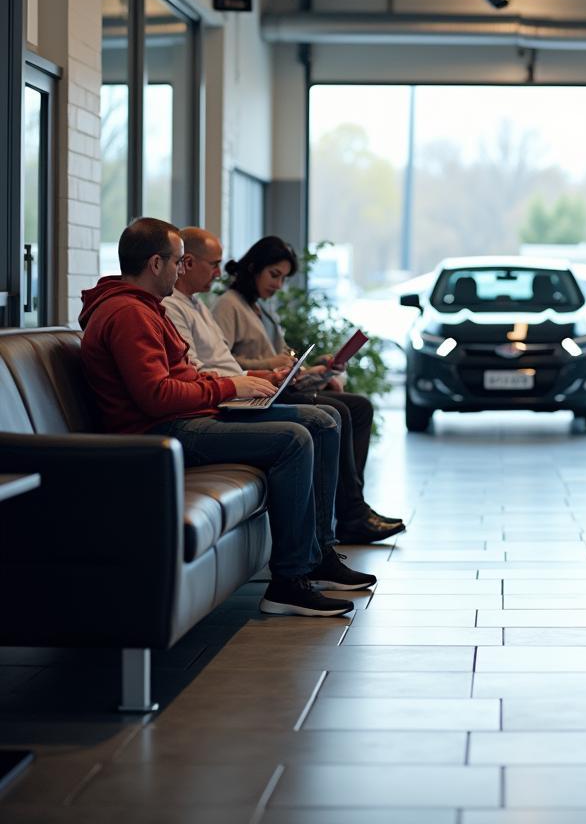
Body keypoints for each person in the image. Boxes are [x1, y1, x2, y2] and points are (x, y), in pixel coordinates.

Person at [80, 217, 366, 618]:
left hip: (186, 415)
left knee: (320, 421)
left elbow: (187, 375)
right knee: (294, 438)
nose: (183, 270)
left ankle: (316, 555)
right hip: (159, 433)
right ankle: (289, 580)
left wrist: (255, 379)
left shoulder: (146, 308)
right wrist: (231, 389)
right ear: (156, 263)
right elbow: (157, 397)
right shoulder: (129, 314)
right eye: (179, 262)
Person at [161, 226, 377, 590]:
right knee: (320, 422)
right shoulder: (177, 308)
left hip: (233, 392)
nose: (219, 272)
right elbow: (185, 380)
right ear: (176, 263)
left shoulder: (196, 305)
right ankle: (303, 565)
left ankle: (321, 550)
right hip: (219, 401)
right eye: (212, 265)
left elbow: (219, 365)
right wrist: (243, 380)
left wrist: (263, 374)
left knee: (330, 416)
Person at [211, 236, 405, 545]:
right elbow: (223, 363)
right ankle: (352, 514)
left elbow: (281, 363)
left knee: (359, 406)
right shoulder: (229, 306)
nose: (279, 284)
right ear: (253, 268)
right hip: (258, 395)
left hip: (279, 387)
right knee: (342, 410)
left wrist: (317, 371)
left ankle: (353, 509)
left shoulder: (260, 308)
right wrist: (272, 362)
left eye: (284, 278)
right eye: (274, 275)